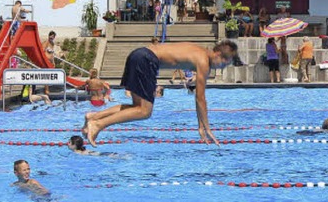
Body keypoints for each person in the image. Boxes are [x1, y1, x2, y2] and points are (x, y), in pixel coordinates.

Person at [82, 40, 238, 147]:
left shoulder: (199, 50)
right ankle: (98, 125)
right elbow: (200, 98)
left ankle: (94, 116)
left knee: (136, 107)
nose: (223, 68)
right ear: (218, 55)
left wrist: (200, 126)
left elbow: (198, 98)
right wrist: (206, 128)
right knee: (144, 111)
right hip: (147, 60)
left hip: (138, 54)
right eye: (225, 63)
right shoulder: (204, 61)